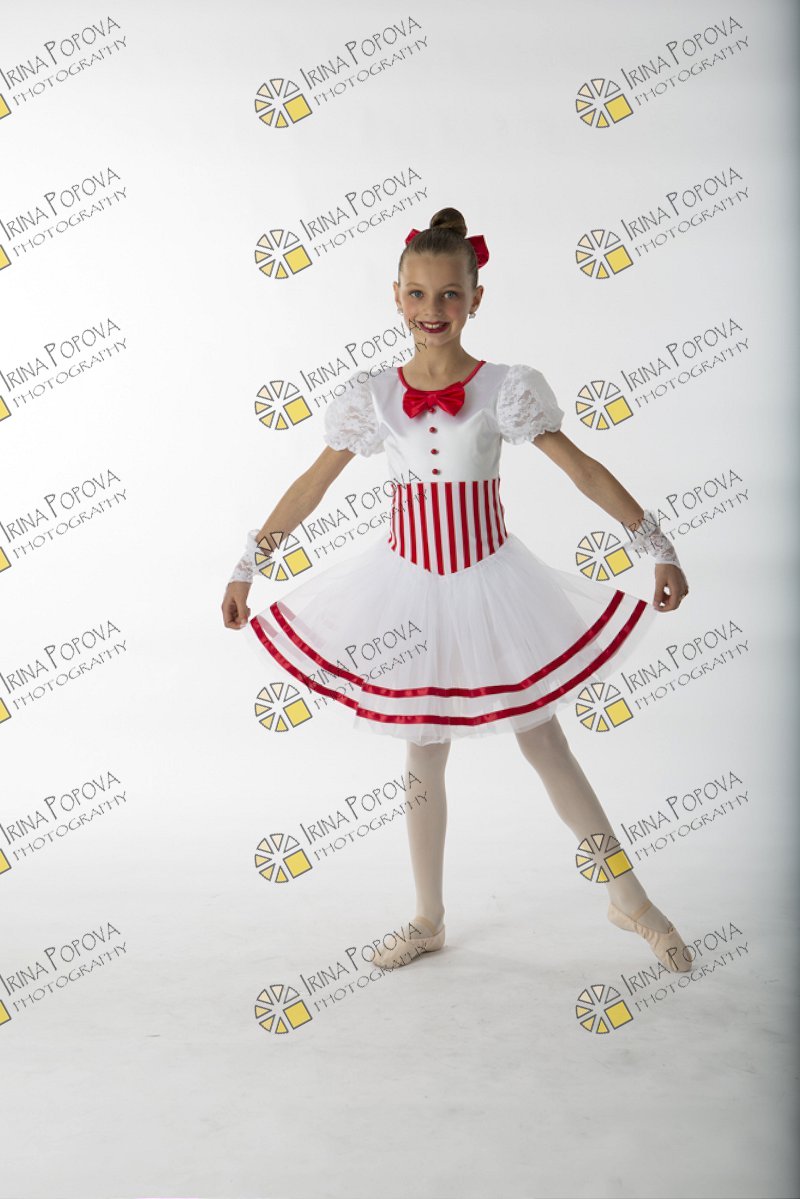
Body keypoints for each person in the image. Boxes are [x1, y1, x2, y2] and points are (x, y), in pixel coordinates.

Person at [221, 207, 692, 974]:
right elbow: (312, 484)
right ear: (396, 298)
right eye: (417, 294)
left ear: (476, 298)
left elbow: (581, 469)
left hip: (491, 582)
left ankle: (631, 898)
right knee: (423, 751)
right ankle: (427, 917)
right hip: (406, 589)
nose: (432, 309)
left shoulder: (504, 388)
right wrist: (251, 561)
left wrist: (655, 544)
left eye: (449, 294)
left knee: (545, 741)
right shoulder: (374, 396)